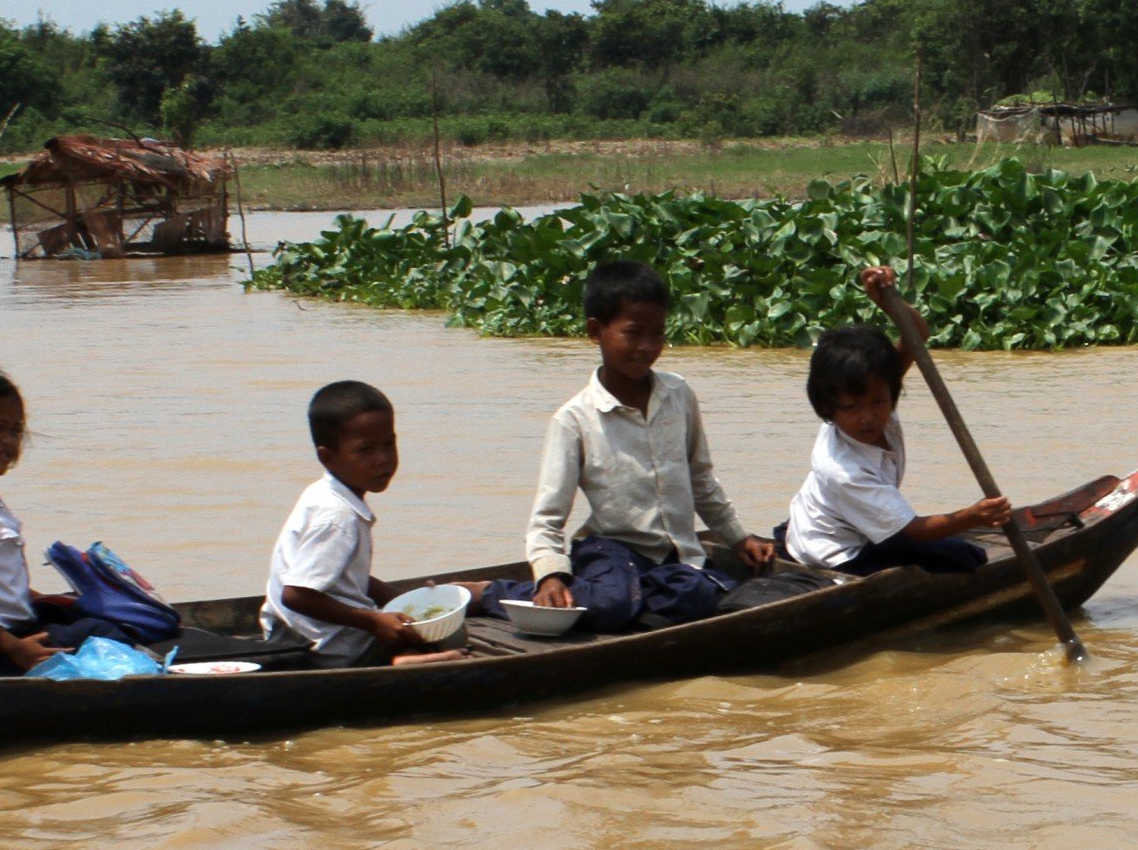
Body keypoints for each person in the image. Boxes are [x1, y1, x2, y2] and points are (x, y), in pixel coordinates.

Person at [484, 257, 775, 634]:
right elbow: (546, 519)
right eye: (633, 333)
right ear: (596, 331)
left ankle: (644, 605)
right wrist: (549, 577)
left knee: (700, 593)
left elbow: (700, 479)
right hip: (611, 551)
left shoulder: (678, 395)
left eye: (657, 334)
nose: (647, 347)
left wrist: (738, 537)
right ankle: (493, 593)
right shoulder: (574, 420)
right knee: (614, 600)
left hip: (674, 557)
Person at [0, 363, 151, 677]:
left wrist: (43, 598)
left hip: (10, 627)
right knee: (103, 632)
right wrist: (13, 648)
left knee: (85, 619)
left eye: (15, 430)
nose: (9, 440)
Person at [782, 277, 1013, 573]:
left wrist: (885, 300)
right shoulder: (843, 470)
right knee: (965, 557)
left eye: (879, 402)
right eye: (853, 408)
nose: (869, 417)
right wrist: (973, 516)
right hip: (839, 553)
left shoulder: (877, 393)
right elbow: (913, 531)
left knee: (960, 550)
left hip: (838, 525)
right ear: (828, 408)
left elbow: (916, 334)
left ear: (890, 390)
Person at [262, 379, 429, 665]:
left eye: (389, 445)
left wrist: (400, 598)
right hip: (324, 647)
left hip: (297, 634)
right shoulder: (338, 516)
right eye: (366, 450)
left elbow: (344, 578)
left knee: (420, 629)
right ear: (328, 458)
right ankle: (406, 661)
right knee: (431, 644)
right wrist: (375, 621)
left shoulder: (326, 494)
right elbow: (296, 595)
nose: (383, 459)